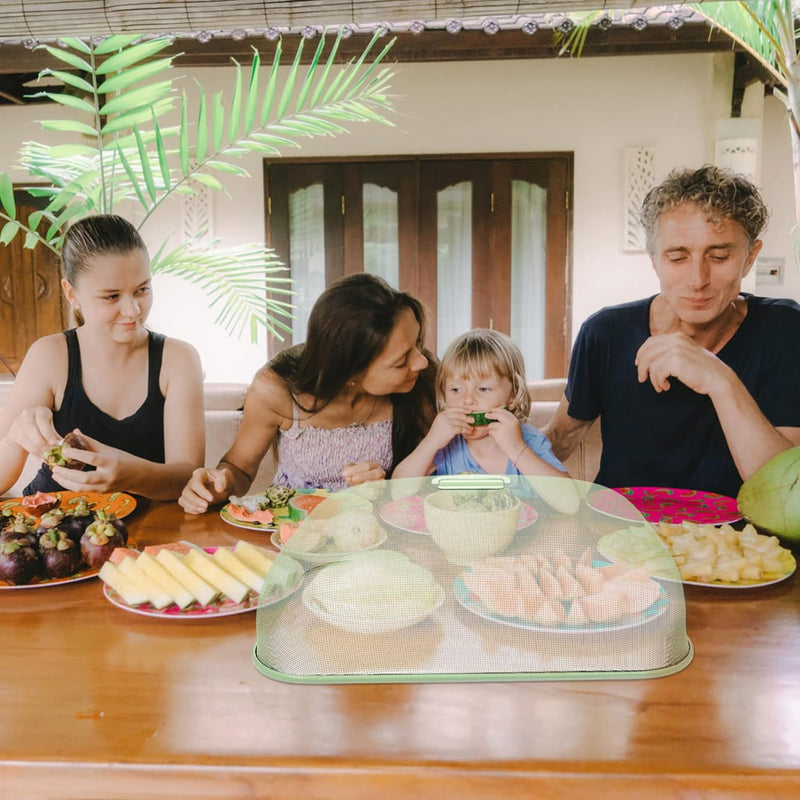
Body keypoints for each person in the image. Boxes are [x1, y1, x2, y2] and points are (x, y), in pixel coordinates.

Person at [544, 165, 800, 498]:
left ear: (749, 257)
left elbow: (784, 492)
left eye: (719, 255)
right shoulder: (605, 333)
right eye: (677, 257)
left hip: (739, 543)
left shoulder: (784, 330)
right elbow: (561, 437)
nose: (698, 279)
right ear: (654, 260)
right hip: (619, 536)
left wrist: (720, 381)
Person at [178, 273, 436, 513]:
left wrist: (388, 488)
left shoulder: (423, 381)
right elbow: (239, 467)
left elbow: (443, 475)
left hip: (381, 535)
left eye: (418, 344)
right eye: (401, 361)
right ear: (349, 373)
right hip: (290, 535)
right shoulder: (276, 389)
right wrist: (218, 485)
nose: (421, 362)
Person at [0, 214, 205, 500]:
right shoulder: (49, 356)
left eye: (142, 290)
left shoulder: (178, 359)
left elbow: (189, 477)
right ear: (71, 293)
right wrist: (14, 439)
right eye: (111, 297)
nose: (133, 310)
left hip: (151, 531)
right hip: (53, 525)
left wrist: (129, 475)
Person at [393, 329, 566, 479]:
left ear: (513, 395)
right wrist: (431, 441)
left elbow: (570, 502)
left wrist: (517, 449)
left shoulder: (530, 441)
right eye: (456, 390)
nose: (467, 400)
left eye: (483, 389)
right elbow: (398, 491)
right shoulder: (444, 445)